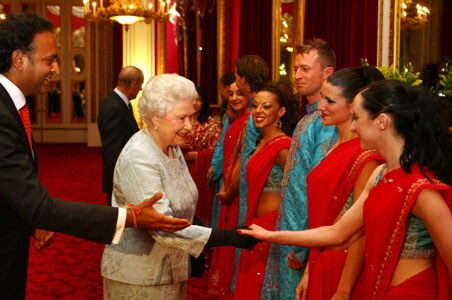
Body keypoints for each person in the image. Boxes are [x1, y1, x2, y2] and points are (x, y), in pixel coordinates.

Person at [0, 12, 190, 300]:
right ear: (19, 59)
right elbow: (41, 207)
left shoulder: (13, 108)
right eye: (49, 59)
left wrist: (29, 217)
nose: (55, 68)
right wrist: (131, 217)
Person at [240, 80, 452, 300]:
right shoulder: (379, 175)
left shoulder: (422, 190)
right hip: (377, 290)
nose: (352, 127)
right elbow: (337, 233)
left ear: (381, 122)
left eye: (356, 118)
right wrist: (270, 235)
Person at [101, 73, 257, 300]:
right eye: (181, 118)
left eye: (192, 117)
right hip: (138, 275)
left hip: (172, 270)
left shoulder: (171, 146)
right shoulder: (139, 156)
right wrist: (228, 237)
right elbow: (162, 225)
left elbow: (182, 203)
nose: (190, 126)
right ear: (155, 117)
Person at [301, 66, 384, 300]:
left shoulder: (365, 155)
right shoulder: (332, 146)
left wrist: (344, 288)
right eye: (321, 99)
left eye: (329, 101)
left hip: (344, 266)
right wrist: (309, 268)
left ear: (353, 105)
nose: (320, 107)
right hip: (322, 257)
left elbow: (361, 229)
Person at [263, 38, 337, 299]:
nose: (297, 75)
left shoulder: (327, 121)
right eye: (295, 69)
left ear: (326, 73)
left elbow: (319, 186)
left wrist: (302, 244)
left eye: (305, 69)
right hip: (291, 231)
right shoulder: (309, 117)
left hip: (303, 237)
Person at [233, 83, 301, 300]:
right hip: (255, 221)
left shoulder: (284, 146)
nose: (258, 111)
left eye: (266, 106)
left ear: (280, 111)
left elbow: (298, 191)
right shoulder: (261, 141)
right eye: (255, 105)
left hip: (272, 226)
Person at [208, 80, 250, 299]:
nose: (234, 98)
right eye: (231, 93)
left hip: (238, 190)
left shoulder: (250, 122)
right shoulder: (233, 119)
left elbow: (244, 159)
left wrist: (231, 189)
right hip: (227, 186)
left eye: (239, 94)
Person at [97, 66, 144, 205]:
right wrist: (119, 182)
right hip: (118, 178)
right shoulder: (114, 107)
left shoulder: (118, 103)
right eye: (140, 85)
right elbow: (113, 151)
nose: (141, 89)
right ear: (134, 84)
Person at [183, 87, 221, 226]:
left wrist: (197, 155)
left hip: (200, 171)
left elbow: (217, 151)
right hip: (181, 167)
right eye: (193, 99)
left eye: (199, 99)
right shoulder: (180, 120)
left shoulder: (211, 124)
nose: (196, 103)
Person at [210, 71, 237, 230]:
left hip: (230, 174)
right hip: (225, 172)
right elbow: (222, 143)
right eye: (232, 94)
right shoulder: (229, 116)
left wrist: (215, 168)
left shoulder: (243, 121)